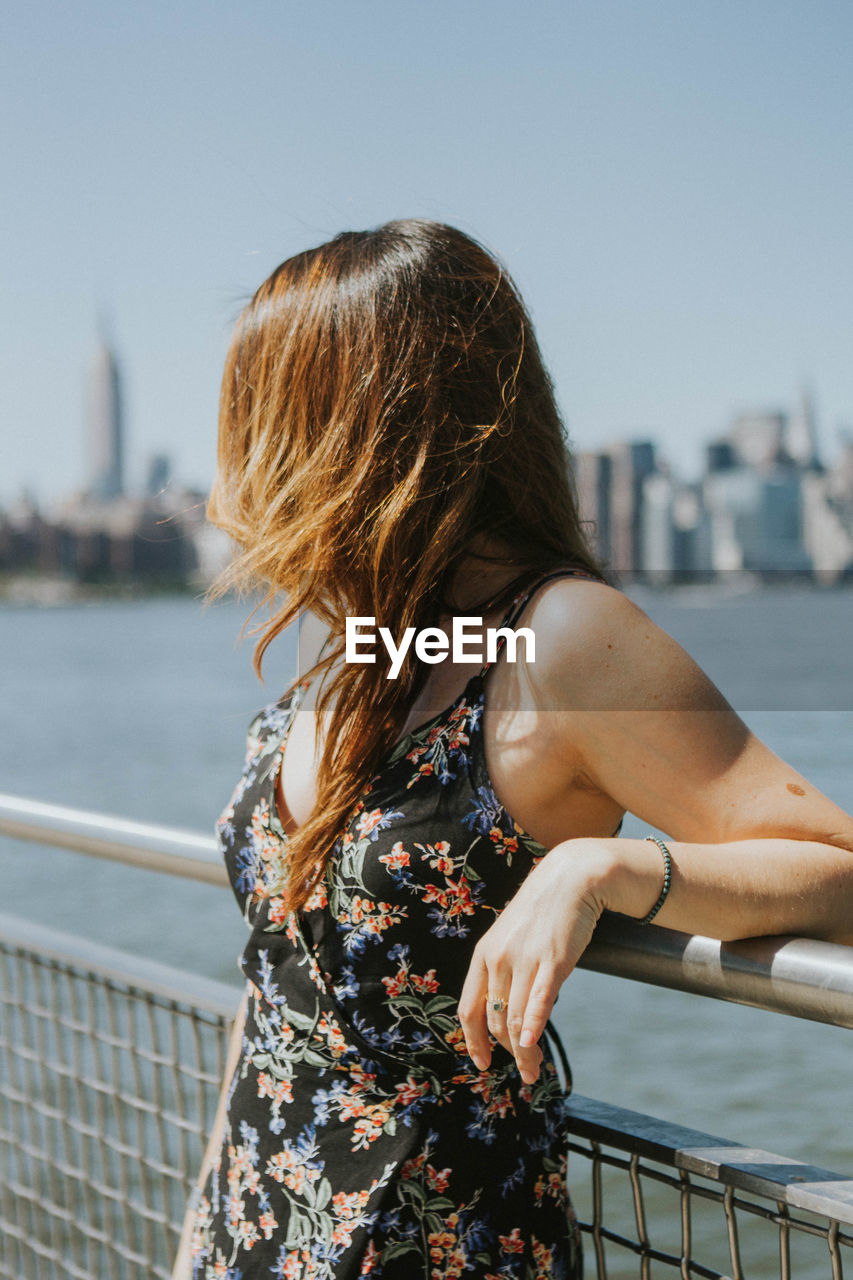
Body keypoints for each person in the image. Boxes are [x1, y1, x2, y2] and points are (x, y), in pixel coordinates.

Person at [173, 219, 853, 1280]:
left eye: (263, 414)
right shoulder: (369, 639)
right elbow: (275, 1004)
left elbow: (839, 871)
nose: (241, 469)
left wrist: (608, 866)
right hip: (249, 1232)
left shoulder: (563, 640)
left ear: (357, 422)